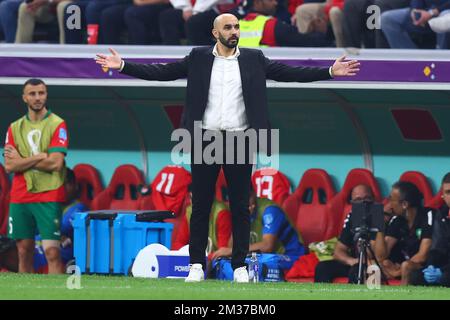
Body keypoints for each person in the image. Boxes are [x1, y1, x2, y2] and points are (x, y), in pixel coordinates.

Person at [95, 13, 359, 283]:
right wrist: (123, 65)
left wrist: (329, 71)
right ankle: (196, 265)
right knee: (200, 206)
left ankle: (240, 266)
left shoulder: (253, 59)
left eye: (236, 27)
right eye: (228, 27)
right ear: (215, 33)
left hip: (239, 138)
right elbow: (162, 72)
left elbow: (289, 73)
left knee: (241, 207)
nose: (234, 31)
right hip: (205, 138)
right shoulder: (198, 57)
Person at [3, 78, 68, 274]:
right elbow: (9, 165)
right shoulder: (14, 128)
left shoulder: (58, 124)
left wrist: (23, 160)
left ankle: (57, 295)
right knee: (23, 250)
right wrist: (40, 156)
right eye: (32, 94)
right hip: (21, 195)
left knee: (52, 252)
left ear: (46, 95)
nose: (37, 97)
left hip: (49, 194)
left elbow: (56, 163)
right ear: (24, 98)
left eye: (41, 93)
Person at [212, 187, 305, 270]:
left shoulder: (269, 210)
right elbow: (230, 247)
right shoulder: (239, 211)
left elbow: (267, 246)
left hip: (291, 255)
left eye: (247, 197)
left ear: (254, 194)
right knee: (225, 263)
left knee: (260, 264)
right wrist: (239, 222)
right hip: (264, 256)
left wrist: (234, 251)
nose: (244, 202)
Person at [314, 184, 387, 283]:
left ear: (373, 199)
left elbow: (378, 256)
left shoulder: (380, 216)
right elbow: (338, 251)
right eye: (358, 200)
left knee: (357, 270)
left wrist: (379, 224)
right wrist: (351, 261)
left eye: (367, 199)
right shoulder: (353, 216)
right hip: (355, 262)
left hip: (375, 264)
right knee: (323, 267)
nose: (363, 203)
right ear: (352, 203)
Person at [33, 168, 89, 273]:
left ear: (74, 186)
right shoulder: (48, 206)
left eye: (65, 184)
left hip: (63, 251)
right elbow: (33, 228)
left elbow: (59, 228)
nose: (61, 189)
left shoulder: (79, 208)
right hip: (41, 245)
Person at [381, 181, 435, 285]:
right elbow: (382, 254)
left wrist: (397, 272)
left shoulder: (428, 215)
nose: (389, 204)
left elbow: (422, 256)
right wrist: (380, 225)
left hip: (427, 268)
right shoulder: (397, 219)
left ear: (404, 204)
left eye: (391, 199)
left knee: (407, 266)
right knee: (378, 263)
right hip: (402, 266)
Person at [409, 173, 450, 287]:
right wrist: (431, 267)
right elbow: (437, 248)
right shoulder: (441, 214)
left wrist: (443, 271)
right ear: (442, 195)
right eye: (448, 192)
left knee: (446, 277)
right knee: (415, 276)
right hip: (444, 268)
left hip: (447, 270)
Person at [239, 0, 331, 47]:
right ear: (257, 2)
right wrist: (321, 32)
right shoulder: (272, 26)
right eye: (270, 0)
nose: (275, 3)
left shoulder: (236, 26)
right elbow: (306, 43)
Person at [172, 192, 232, 260]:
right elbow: (178, 245)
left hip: (214, 262)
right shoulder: (189, 212)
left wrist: (200, 257)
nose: (195, 202)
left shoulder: (222, 213)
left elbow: (222, 252)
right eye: (192, 198)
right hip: (198, 259)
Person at [381, 0, 450, 49]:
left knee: (444, 20)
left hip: (445, 11)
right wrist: (415, 10)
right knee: (387, 19)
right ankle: (411, 60)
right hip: (425, 11)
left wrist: (433, 12)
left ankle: (440, 61)